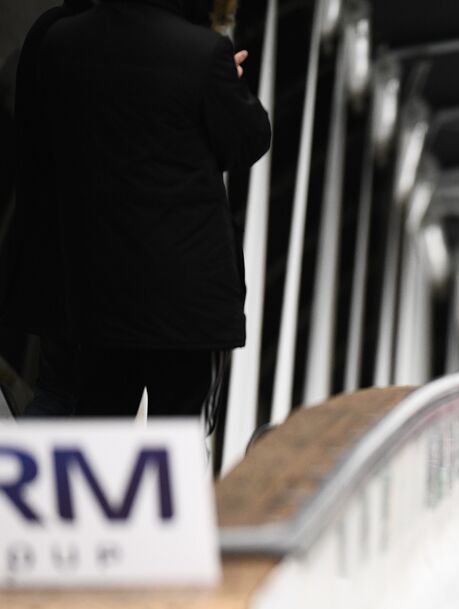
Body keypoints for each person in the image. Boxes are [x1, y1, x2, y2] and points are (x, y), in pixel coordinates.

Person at [35, 0, 270, 426]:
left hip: (99, 291)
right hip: (186, 299)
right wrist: (226, 86)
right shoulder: (202, 53)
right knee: (177, 439)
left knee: (100, 432)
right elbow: (248, 141)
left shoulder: (62, 42)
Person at [0, 0, 94, 417]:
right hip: (95, 254)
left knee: (57, 383)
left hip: (48, 244)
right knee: (77, 391)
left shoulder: (47, 32)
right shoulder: (86, 39)